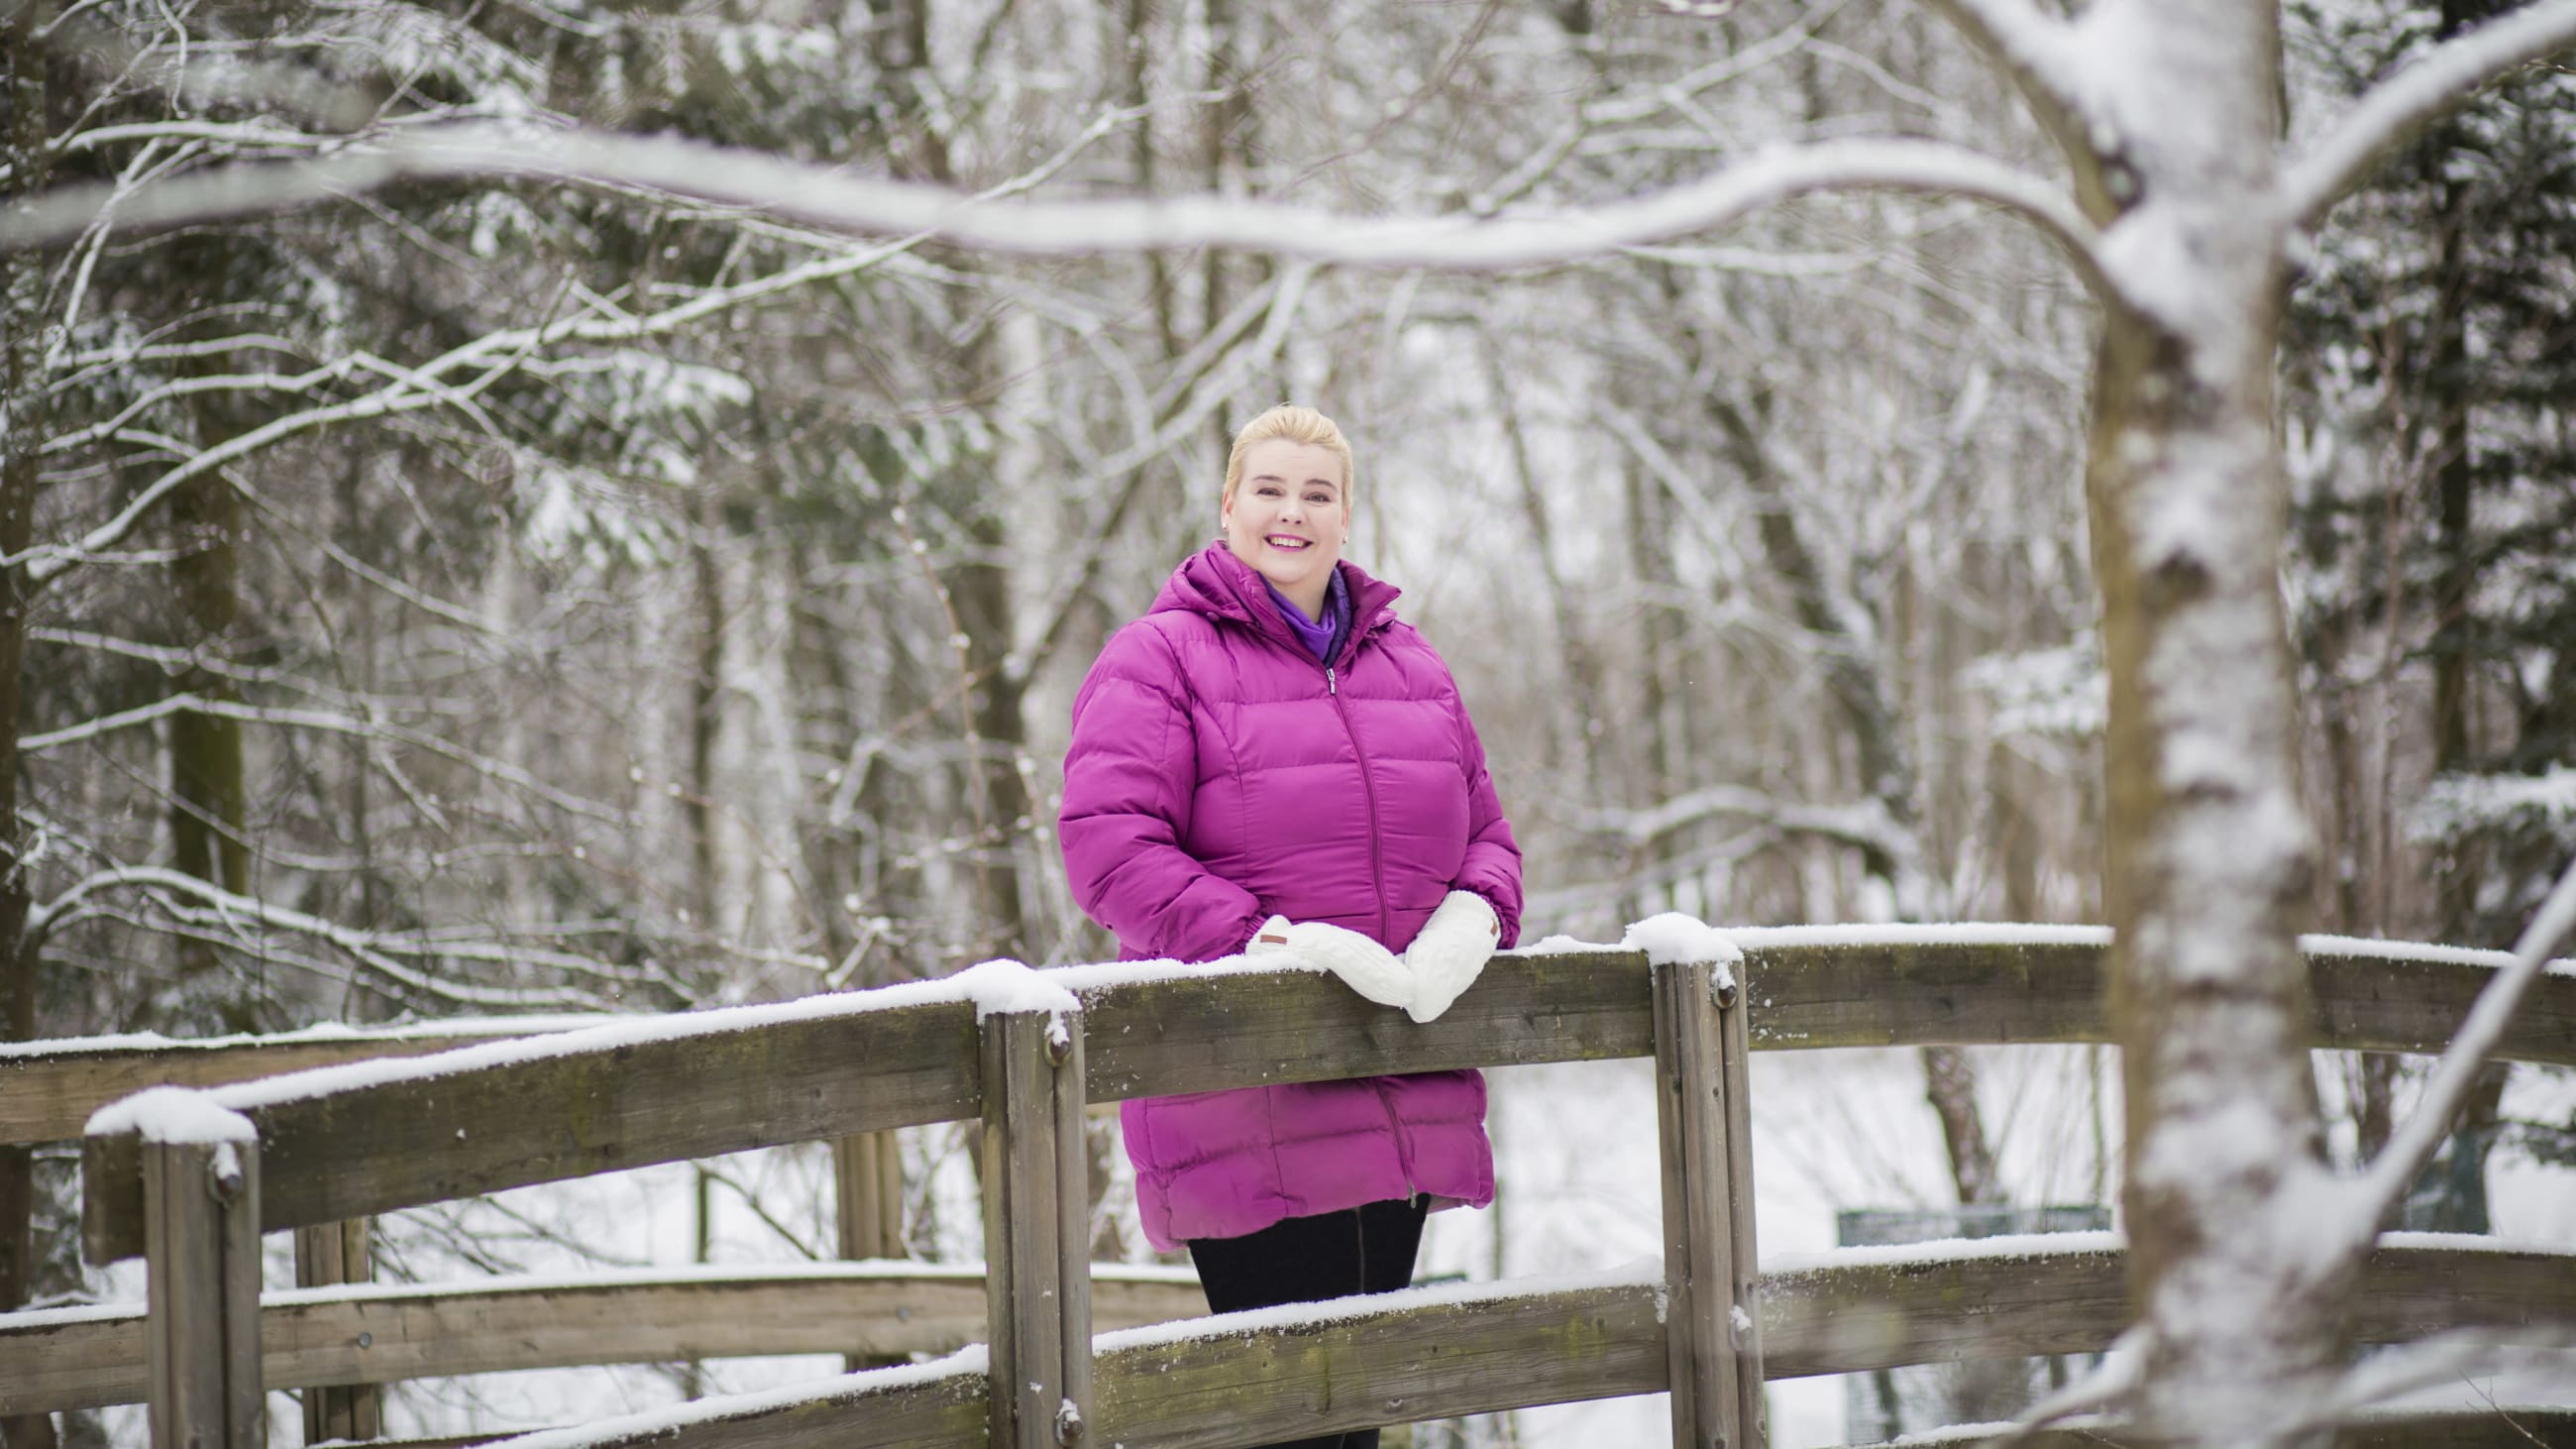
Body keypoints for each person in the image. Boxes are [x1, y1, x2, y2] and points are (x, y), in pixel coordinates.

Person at [1057, 403, 1523, 1449]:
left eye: (1317, 493)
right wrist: (1267, 943)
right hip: (1244, 1095)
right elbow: (1107, 848)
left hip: (1399, 1081)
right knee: (1291, 1425)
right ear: (1227, 505)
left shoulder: (1411, 665)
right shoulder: (1159, 658)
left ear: (1347, 517)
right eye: (1267, 488)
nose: (1291, 512)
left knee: (1357, 1417)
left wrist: (1470, 919)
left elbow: (1489, 836)